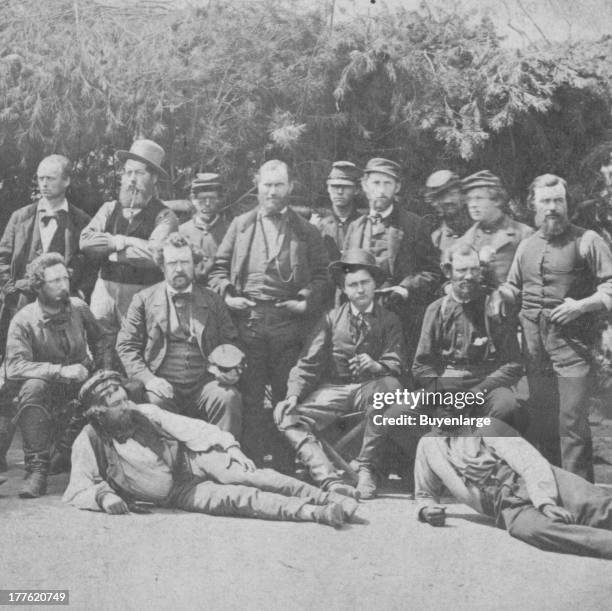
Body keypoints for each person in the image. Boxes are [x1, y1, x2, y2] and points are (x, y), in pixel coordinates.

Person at [63, 371, 362, 528]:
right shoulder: (89, 440)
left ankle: (328, 496)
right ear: (98, 411)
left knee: (255, 477)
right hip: (177, 493)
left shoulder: (143, 411)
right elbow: (77, 489)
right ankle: (317, 513)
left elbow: (193, 428)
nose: (123, 401)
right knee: (240, 499)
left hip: (195, 459)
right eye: (113, 401)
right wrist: (104, 497)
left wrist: (231, 448)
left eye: (121, 393)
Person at [208, 159, 329, 467]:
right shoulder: (241, 225)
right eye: (267, 185)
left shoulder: (307, 231)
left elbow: (323, 276)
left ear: (290, 187)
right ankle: (251, 463)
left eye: (278, 185)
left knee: (285, 396)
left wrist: (304, 301)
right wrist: (229, 296)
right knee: (248, 396)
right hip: (247, 322)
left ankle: (287, 465)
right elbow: (218, 270)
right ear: (257, 186)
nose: (272, 192)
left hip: (287, 325)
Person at [499, 174, 612, 481]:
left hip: (572, 348)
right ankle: (552, 490)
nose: (553, 208)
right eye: (546, 201)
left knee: (572, 423)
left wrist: (581, 306)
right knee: (545, 421)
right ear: (533, 206)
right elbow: (513, 287)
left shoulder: (587, 240)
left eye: (558, 201)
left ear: (566, 204)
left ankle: (581, 498)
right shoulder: (526, 246)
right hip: (535, 352)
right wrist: (499, 293)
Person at [274, 249, 406, 499]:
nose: (360, 290)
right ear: (344, 289)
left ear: (375, 284)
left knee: (391, 388)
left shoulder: (389, 320)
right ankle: (328, 477)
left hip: (371, 388)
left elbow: (396, 360)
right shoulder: (330, 319)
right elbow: (307, 362)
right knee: (286, 416)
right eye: (352, 284)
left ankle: (366, 468)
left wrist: (377, 366)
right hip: (334, 389)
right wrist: (293, 395)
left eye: (365, 282)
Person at [416, 411, 612, 560]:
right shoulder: (427, 444)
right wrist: (427, 511)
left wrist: (545, 503)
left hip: (541, 479)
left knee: (598, 507)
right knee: (531, 529)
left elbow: (530, 463)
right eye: (441, 402)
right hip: (507, 504)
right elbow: (425, 493)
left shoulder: (489, 425)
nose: (448, 408)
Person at [0, 155, 91, 470]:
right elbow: (3, 256)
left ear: (66, 181)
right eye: (40, 178)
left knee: (57, 374)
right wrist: (12, 288)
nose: (43, 184)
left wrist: (66, 291)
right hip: (18, 308)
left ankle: (53, 454)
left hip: (58, 310)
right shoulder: (20, 217)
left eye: (50, 178)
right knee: (10, 377)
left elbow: (84, 264)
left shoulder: (81, 220)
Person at [0, 253, 106, 497]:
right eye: (55, 281)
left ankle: (64, 452)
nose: (63, 286)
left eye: (65, 279)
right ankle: (37, 470)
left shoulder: (79, 308)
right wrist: (60, 371)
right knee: (33, 386)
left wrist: (102, 372)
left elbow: (101, 342)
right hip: (43, 389)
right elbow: (15, 367)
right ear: (39, 286)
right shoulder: (24, 319)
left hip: (78, 384)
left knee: (110, 389)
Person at [116, 233, 243, 437]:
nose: (179, 269)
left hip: (204, 382)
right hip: (162, 382)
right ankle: (172, 464)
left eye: (185, 262)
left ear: (195, 265)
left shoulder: (213, 300)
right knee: (155, 401)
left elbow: (230, 340)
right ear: (162, 266)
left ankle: (225, 459)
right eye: (172, 263)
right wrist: (149, 380)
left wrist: (229, 369)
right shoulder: (143, 299)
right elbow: (126, 346)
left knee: (228, 397)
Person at [80, 139, 178, 368]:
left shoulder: (164, 216)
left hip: (142, 295)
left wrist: (115, 247)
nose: (132, 180)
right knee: (98, 347)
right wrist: (119, 242)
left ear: (153, 179)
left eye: (139, 174)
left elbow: (155, 254)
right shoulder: (108, 209)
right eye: (128, 173)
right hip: (104, 292)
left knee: (134, 351)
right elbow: (86, 241)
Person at [343, 157, 441, 364]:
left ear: (397, 187)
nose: (381, 190)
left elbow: (432, 272)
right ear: (364, 186)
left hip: (402, 317)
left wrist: (404, 289)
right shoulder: (355, 227)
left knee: (399, 381)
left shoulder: (414, 224)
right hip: (362, 317)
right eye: (376, 183)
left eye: (387, 183)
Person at [456, 170, 533, 287]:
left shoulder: (523, 234)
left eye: (479, 198)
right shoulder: (465, 240)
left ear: (497, 200)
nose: (473, 204)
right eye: (469, 199)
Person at [179, 173, 230, 284]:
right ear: (193, 200)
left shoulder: (230, 231)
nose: (207, 204)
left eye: (212, 199)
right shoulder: (181, 231)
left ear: (220, 199)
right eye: (202, 199)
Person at [310, 161, 363, 261]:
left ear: (356, 190)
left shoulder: (364, 224)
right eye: (334, 186)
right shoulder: (318, 226)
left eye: (346, 187)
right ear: (328, 189)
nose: (339, 192)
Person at [426, 170, 470, 253]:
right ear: (435, 204)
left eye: (452, 193)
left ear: (464, 196)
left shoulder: (481, 231)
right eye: (441, 196)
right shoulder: (436, 239)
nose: (448, 200)